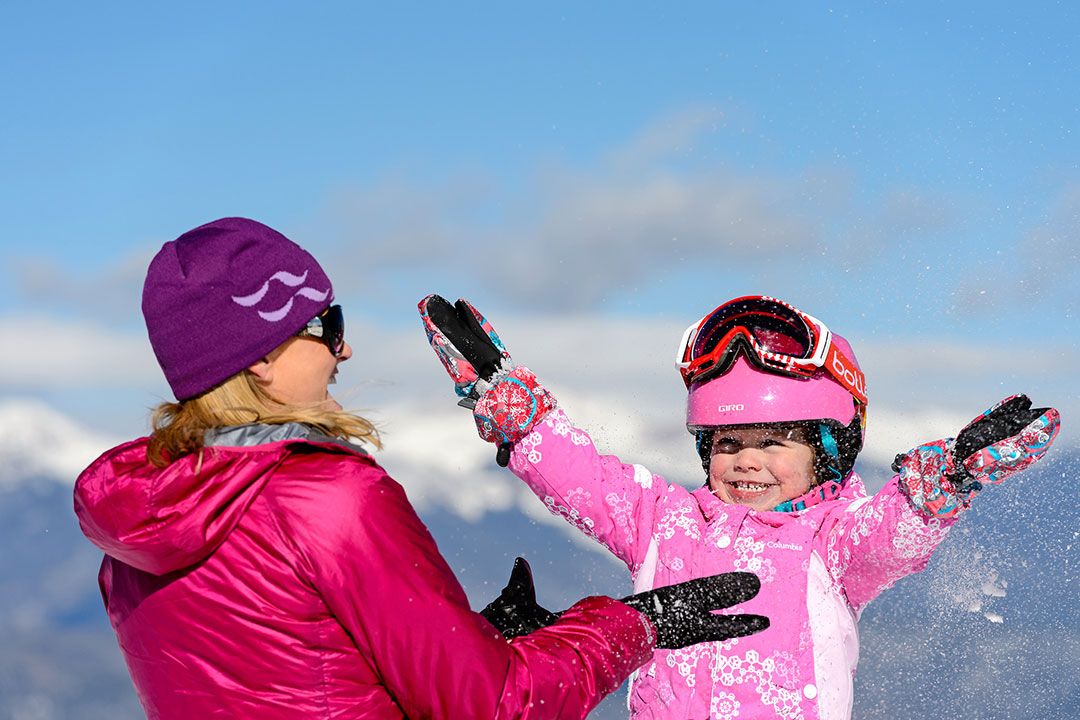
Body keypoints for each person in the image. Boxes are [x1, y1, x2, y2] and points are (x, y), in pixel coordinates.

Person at [72, 218, 770, 720]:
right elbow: (494, 706)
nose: (343, 353)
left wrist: (478, 641)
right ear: (260, 355)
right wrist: (631, 626)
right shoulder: (328, 497)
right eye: (327, 326)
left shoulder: (136, 524)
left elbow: (285, 669)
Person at [418, 293, 1060, 720]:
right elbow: (586, 479)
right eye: (727, 443)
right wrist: (520, 419)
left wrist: (944, 486)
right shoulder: (664, 522)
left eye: (773, 443)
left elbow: (889, 535)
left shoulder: (833, 543)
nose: (746, 461)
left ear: (828, 452)